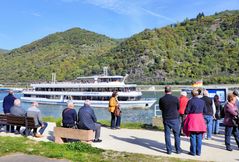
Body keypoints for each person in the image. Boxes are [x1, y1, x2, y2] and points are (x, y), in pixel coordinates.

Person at [183, 88, 207, 156]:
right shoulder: (202, 101)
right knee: (199, 136)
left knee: (193, 136)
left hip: (192, 119)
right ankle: (198, 152)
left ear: (192, 94)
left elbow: (186, 111)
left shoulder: (190, 101)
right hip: (200, 119)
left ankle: (193, 152)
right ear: (198, 94)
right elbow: (205, 111)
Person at [159, 86, 181, 154]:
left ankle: (169, 150)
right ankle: (178, 150)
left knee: (167, 135)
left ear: (164, 91)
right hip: (175, 118)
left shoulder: (162, 99)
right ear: (171, 91)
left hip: (166, 118)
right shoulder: (175, 98)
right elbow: (178, 107)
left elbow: (161, 108)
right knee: (177, 135)